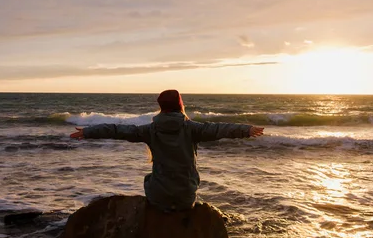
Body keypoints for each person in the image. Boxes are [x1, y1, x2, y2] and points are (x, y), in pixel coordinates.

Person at [70, 89, 264, 212]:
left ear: (160, 107)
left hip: (159, 198)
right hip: (186, 198)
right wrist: (245, 130)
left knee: (149, 178)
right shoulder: (192, 128)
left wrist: (88, 131)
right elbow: (219, 128)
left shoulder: (149, 130)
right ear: (180, 105)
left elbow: (117, 130)